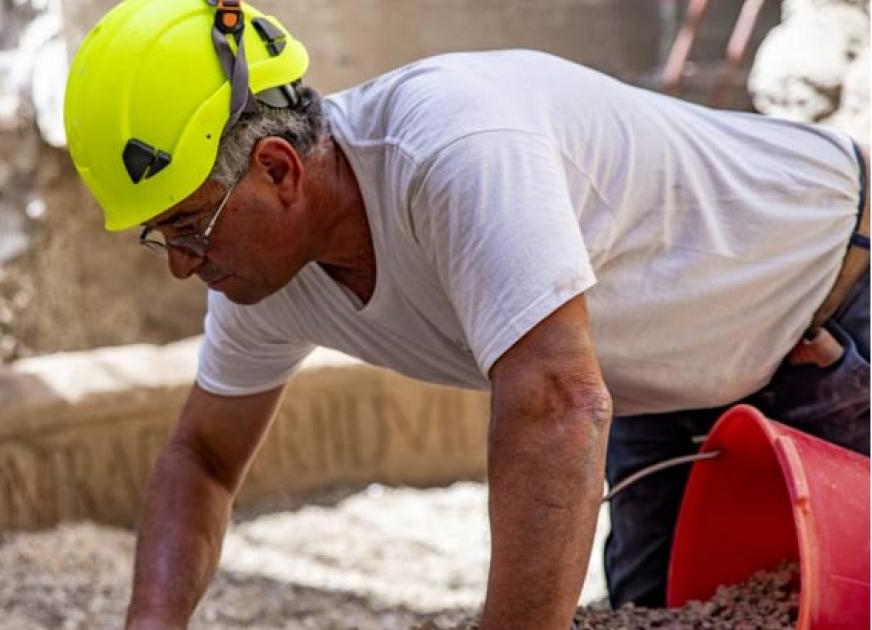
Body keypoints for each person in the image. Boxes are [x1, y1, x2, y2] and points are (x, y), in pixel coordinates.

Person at [62, 1, 870, 628]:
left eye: (187, 227)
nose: (178, 264)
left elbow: (555, 404)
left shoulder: (452, 145)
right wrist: (155, 618)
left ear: (278, 169)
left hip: (836, 290)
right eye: (159, 236)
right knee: (654, 614)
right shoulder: (261, 272)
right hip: (678, 382)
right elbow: (202, 455)